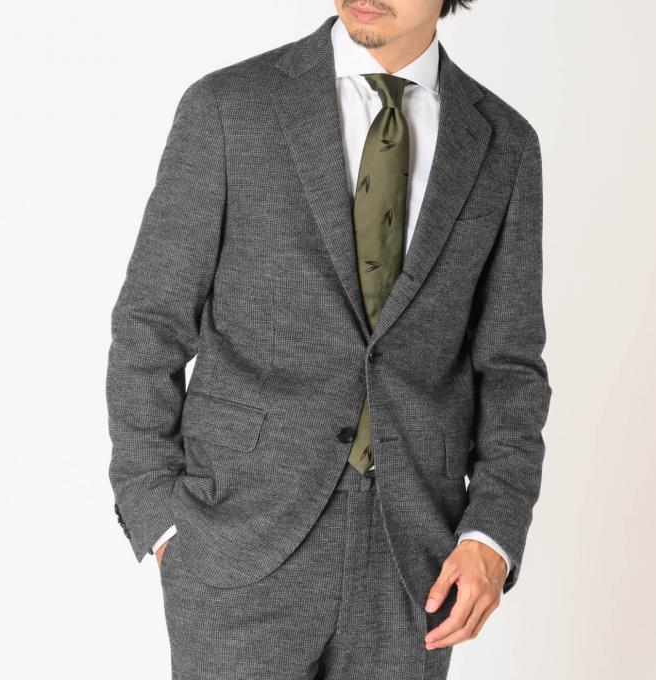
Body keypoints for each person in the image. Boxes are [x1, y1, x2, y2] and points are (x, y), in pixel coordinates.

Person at [106, 2, 552, 677]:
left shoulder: (503, 144)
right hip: (237, 544)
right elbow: (150, 321)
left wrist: (493, 532)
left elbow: (512, 366)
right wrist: (159, 517)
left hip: (413, 563)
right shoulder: (230, 108)